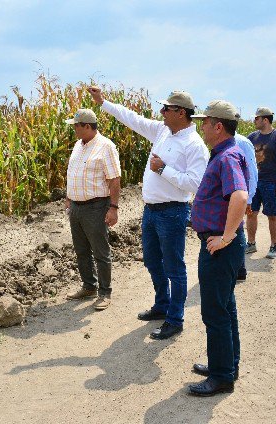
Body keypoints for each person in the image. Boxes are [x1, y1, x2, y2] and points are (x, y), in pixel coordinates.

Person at [88, 86, 209, 339]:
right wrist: (103, 102)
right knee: (153, 262)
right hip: (151, 212)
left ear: (182, 113)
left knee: (175, 267)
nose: (162, 111)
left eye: (167, 108)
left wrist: (164, 169)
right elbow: (133, 119)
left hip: (173, 212)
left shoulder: (194, 145)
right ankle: (162, 305)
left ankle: (175, 318)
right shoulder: (163, 130)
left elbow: (195, 184)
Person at [188, 100, 248, 396]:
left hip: (219, 246)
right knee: (225, 308)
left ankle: (222, 376)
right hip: (218, 244)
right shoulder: (225, 154)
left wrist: (226, 237)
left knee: (214, 312)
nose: (202, 127)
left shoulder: (227, 157)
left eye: (205, 122)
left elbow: (239, 196)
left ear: (218, 126)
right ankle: (226, 365)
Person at [64, 109, 121, 311]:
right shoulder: (78, 146)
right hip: (77, 207)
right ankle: (89, 286)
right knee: (81, 250)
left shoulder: (106, 147)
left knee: (100, 251)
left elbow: (114, 179)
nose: (74, 129)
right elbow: (73, 173)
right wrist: (69, 198)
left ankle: (105, 292)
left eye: (76, 126)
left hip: (96, 206)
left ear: (87, 126)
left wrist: (113, 208)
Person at [246, 107, 276, 259]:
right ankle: (251, 243)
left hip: (271, 182)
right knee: (251, 213)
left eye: (256, 118)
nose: (254, 121)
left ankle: (273, 245)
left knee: (272, 215)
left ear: (265, 120)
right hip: (254, 183)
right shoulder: (251, 137)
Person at [235, 132, 258, 281]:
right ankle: (237, 268)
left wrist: (249, 198)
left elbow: (252, 171)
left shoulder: (242, 142)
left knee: (236, 229)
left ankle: (239, 269)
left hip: (239, 194)